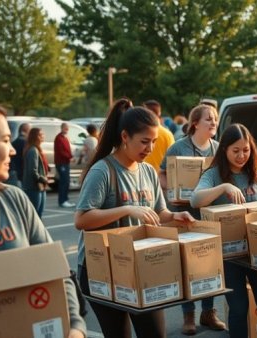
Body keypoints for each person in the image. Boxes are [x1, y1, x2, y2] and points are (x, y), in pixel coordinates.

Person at [0, 83, 86, 338]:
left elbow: (56, 271)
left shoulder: (14, 199)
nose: (12, 150)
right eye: (5, 140)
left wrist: (75, 327)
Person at [74, 98, 195, 338]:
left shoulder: (148, 171)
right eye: (144, 142)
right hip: (102, 268)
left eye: (153, 142)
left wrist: (175, 215)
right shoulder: (103, 171)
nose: (149, 149)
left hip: (140, 264)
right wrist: (127, 209)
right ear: (125, 136)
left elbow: (160, 213)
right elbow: (82, 219)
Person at [190, 123, 257, 338]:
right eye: (236, 150)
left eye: (246, 150)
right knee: (238, 310)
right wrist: (223, 187)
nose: (241, 156)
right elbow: (195, 200)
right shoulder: (213, 174)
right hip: (230, 256)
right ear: (224, 150)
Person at [159, 104, 225, 335]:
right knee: (186, 264)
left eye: (215, 118)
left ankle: (209, 312)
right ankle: (189, 315)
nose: (214, 122)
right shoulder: (178, 147)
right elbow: (162, 173)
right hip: (183, 214)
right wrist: (173, 192)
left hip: (208, 213)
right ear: (195, 123)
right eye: (209, 119)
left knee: (208, 263)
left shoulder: (218, 149)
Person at [22, 127, 49, 217]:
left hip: (39, 187)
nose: (43, 136)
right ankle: (35, 231)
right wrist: (44, 179)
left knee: (38, 214)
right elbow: (33, 171)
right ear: (35, 137)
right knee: (35, 215)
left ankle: (38, 231)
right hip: (34, 187)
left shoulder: (36, 149)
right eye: (40, 135)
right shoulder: (33, 150)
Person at [143, 99, 175, 173]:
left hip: (143, 176)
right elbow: (173, 160)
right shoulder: (168, 134)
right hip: (161, 178)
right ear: (159, 113)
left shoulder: (141, 132)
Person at [54, 122, 74, 207]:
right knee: (63, 181)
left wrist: (71, 156)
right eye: (65, 128)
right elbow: (61, 151)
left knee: (66, 181)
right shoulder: (59, 138)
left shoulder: (65, 138)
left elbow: (67, 150)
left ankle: (65, 199)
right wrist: (69, 157)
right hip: (61, 162)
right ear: (62, 128)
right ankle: (62, 201)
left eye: (67, 128)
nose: (67, 130)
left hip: (66, 162)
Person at [8, 122, 30, 187]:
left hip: (13, 170)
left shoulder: (14, 142)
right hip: (21, 172)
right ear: (26, 130)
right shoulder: (25, 143)